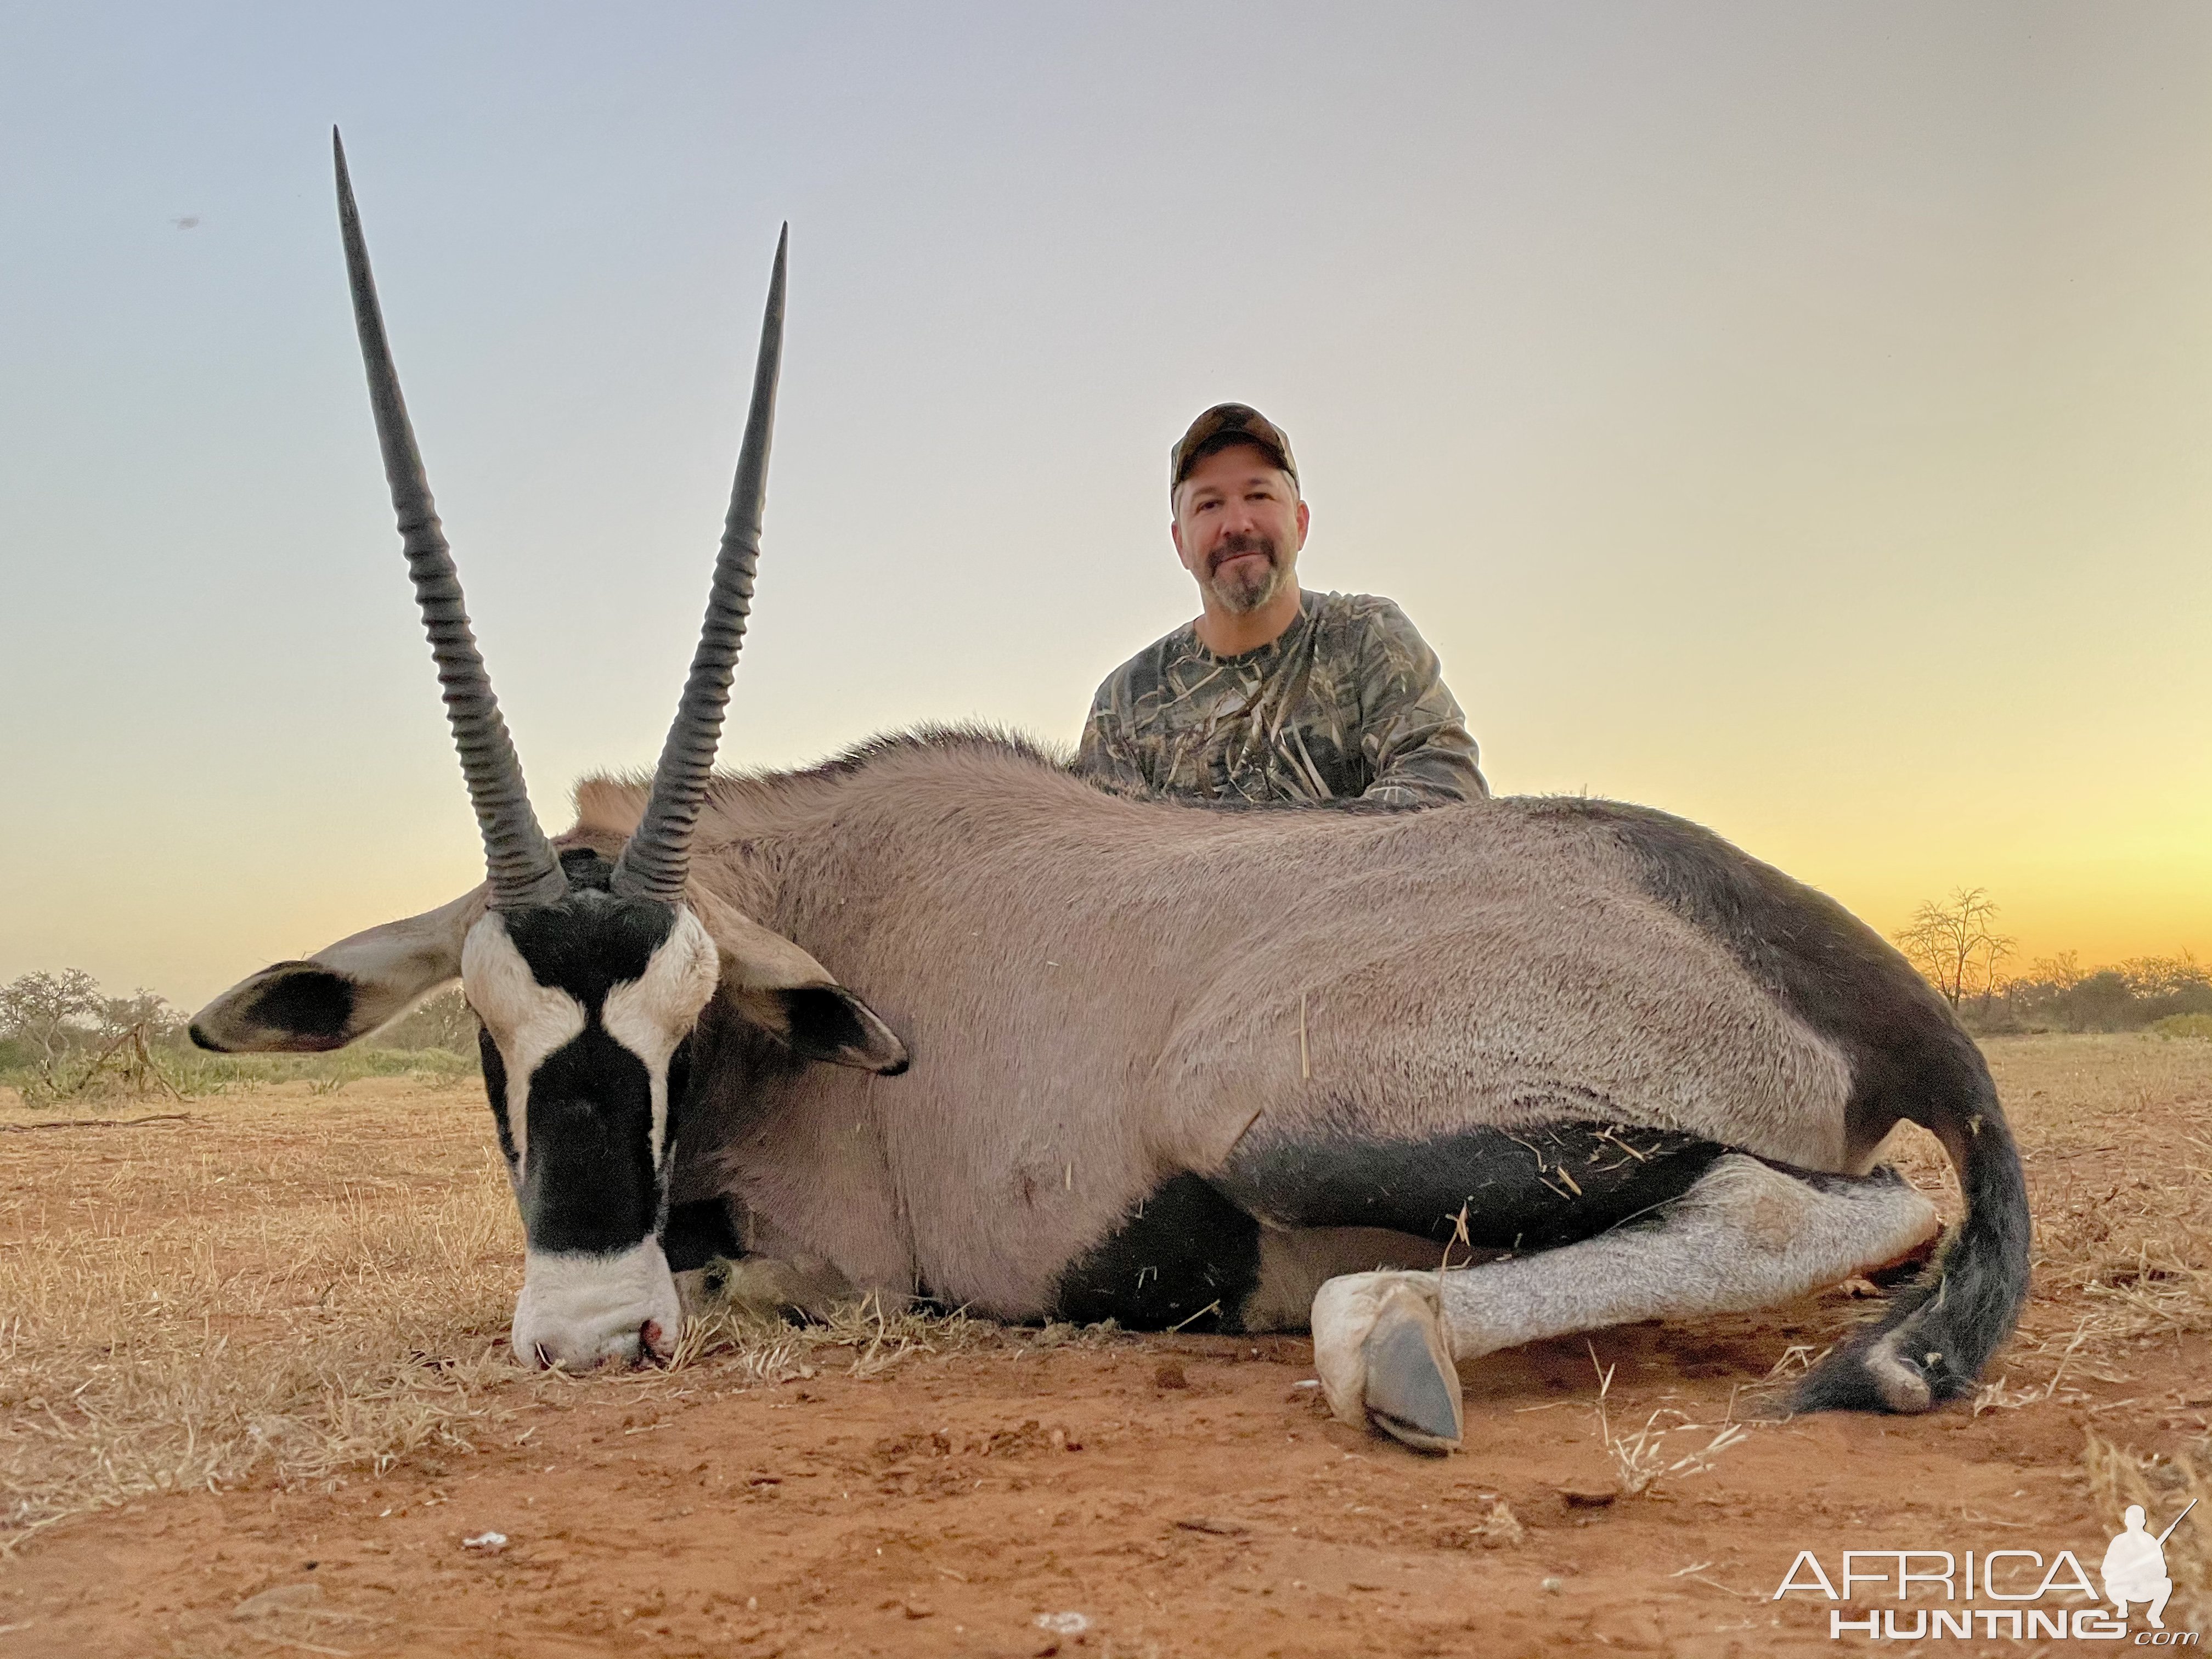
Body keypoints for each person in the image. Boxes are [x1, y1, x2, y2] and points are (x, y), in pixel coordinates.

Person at [1075, 403, 1486, 808]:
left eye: (1258, 495)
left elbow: (1445, 787)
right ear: (1180, 543)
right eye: (1209, 504)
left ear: (1301, 523)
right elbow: (1102, 856)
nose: (1237, 523)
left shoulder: (1368, 635)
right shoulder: (1124, 704)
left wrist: (1284, 867)